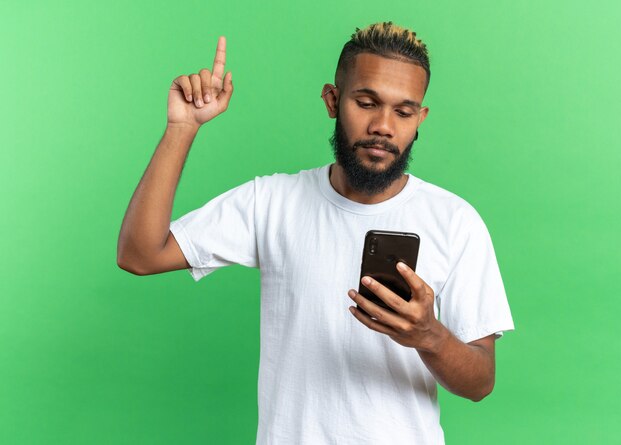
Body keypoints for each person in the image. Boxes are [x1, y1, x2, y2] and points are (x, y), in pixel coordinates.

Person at [117, 21, 515, 445]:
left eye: (403, 111)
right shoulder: (272, 202)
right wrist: (182, 128)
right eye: (366, 102)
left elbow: (480, 383)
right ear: (333, 99)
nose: (383, 125)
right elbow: (140, 255)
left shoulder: (455, 221)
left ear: (420, 118)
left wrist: (428, 335)